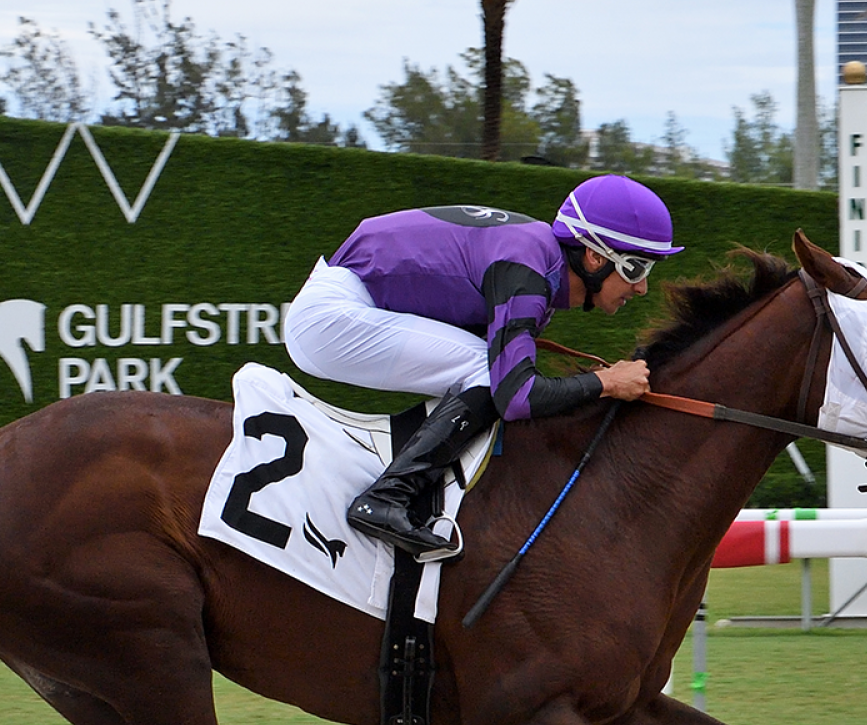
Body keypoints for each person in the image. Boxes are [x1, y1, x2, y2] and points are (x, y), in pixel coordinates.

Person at [282, 174, 680, 559]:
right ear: (594, 256)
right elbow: (516, 397)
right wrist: (605, 382)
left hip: (343, 302)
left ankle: (417, 492)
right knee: (487, 372)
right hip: (331, 317)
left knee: (484, 366)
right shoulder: (527, 268)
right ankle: (387, 497)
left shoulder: (535, 259)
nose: (641, 287)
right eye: (635, 268)